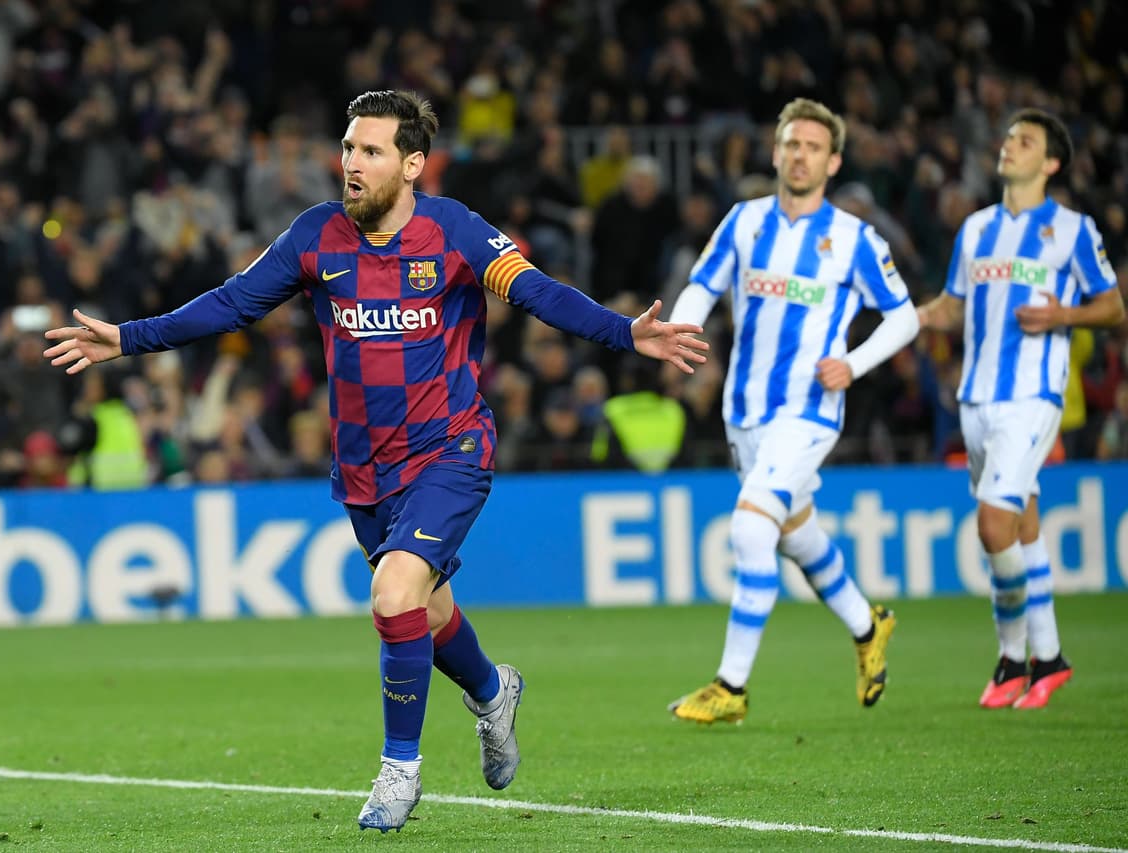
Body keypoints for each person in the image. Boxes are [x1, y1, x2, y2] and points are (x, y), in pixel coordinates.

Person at [43, 90, 709, 831]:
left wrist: (625, 333)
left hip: (450, 449)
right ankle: (493, 691)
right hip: (364, 470)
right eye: (348, 147)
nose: (351, 164)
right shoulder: (315, 236)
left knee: (393, 597)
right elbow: (233, 304)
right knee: (425, 611)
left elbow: (536, 292)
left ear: (412, 163)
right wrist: (128, 338)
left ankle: (400, 769)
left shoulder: (454, 232)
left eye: (370, 151)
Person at [665, 98, 919, 725]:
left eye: (812, 146)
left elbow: (905, 316)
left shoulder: (855, 239)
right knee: (796, 534)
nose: (799, 155)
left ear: (832, 161)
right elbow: (702, 284)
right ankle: (869, 625)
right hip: (743, 410)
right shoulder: (745, 221)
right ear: (776, 153)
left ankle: (732, 686)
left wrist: (854, 365)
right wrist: (682, 329)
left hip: (808, 410)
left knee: (751, 529)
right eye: (790, 144)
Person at [917, 108, 1124, 710]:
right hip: (975, 398)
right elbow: (954, 306)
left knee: (992, 526)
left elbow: (1113, 309)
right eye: (1007, 137)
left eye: (1024, 141)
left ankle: (1012, 657)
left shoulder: (1073, 230)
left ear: (1051, 162)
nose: (1009, 147)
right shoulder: (976, 230)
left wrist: (1063, 314)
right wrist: (915, 317)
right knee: (1024, 526)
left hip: (1032, 397)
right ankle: (1048, 658)